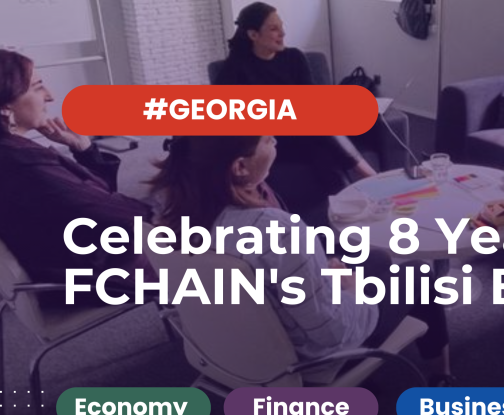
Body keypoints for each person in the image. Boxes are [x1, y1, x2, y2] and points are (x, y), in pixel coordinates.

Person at [151, 135, 452, 384]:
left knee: (376, 259)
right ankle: (442, 380)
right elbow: (333, 333)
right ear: (240, 167)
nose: (275, 139)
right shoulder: (276, 230)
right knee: (418, 274)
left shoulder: (170, 218)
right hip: (305, 362)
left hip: (225, 348)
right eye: (266, 139)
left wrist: (326, 279)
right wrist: (352, 288)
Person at [0, 49, 150, 296]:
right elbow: (110, 212)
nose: (50, 96)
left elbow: (97, 197)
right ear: (6, 106)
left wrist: (83, 149)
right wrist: (166, 214)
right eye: (37, 87)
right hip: (92, 272)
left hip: (67, 259)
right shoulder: (23, 163)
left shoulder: (13, 150)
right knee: (202, 252)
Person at [214, 2, 374, 225]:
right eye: (274, 29)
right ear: (253, 34)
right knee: (321, 134)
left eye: (281, 26)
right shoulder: (234, 70)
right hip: (269, 140)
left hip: (304, 133)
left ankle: (350, 212)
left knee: (322, 142)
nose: (282, 33)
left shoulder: (294, 58)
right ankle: (370, 179)